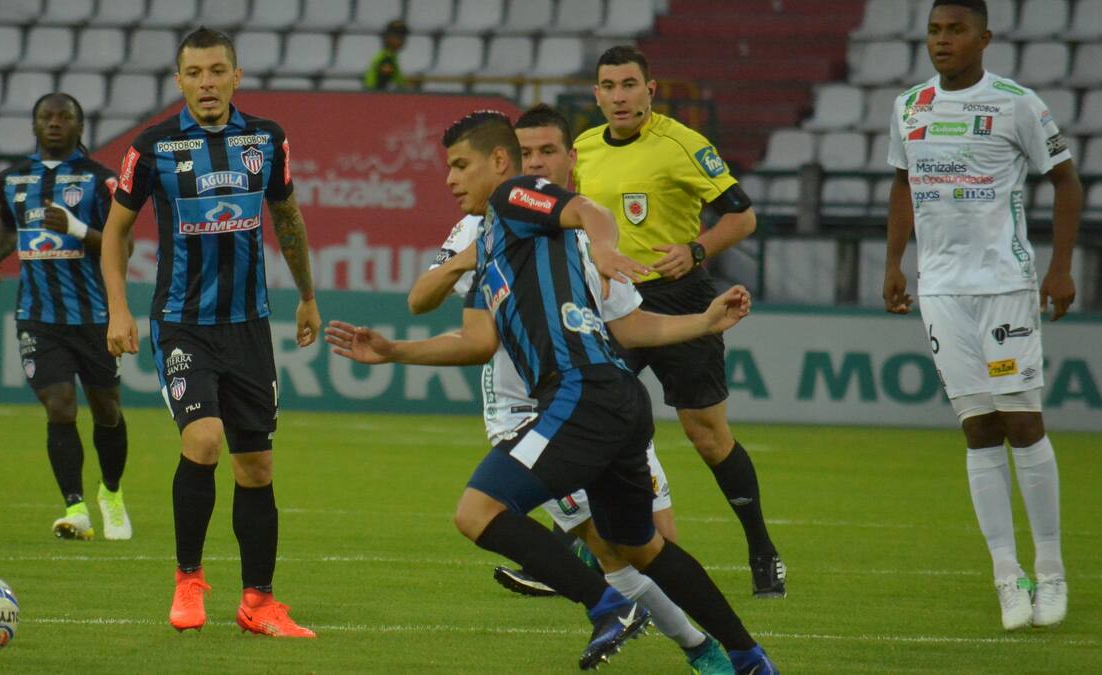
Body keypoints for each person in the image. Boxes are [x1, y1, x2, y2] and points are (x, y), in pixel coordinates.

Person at [327, 111, 777, 673]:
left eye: (461, 165)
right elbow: (478, 343)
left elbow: (591, 210)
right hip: (614, 398)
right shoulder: (495, 242)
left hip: (579, 394)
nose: (450, 179)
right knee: (641, 547)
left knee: (478, 511)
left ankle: (607, 605)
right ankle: (748, 658)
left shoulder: (513, 197)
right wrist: (395, 351)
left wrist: (606, 247)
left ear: (498, 161)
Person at [99, 28, 321, 638]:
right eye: (194, 73)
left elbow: (287, 217)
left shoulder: (266, 140)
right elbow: (116, 232)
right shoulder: (152, 147)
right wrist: (118, 309)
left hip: (248, 326)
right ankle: (189, 579)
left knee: (257, 467)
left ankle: (259, 603)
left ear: (236, 76)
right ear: (179, 81)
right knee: (203, 440)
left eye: (217, 70)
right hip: (183, 324)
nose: (206, 83)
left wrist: (307, 296)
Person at [884, 0, 1079, 631]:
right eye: (934, 30)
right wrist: (893, 263)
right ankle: (1007, 575)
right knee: (978, 430)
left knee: (1022, 421)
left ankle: (1050, 568)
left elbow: (1066, 182)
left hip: (1004, 285)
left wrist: (1059, 267)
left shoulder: (1018, 104)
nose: (942, 40)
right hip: (941, 289)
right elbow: (901, 184)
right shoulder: (909, 106)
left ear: (984, 38)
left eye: (955, 30)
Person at [572, 45, 785, 597]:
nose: (619, 96)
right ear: (596, 94)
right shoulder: (584, 148)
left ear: (650, 90)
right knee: (587, 420)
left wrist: (696, 250)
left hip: (679, 298)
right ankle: (576, 552)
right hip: (612, 302)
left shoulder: (683, 144)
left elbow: (743, 217)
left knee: (706, 435)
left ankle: (762, 549)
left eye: (628, 85)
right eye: (608, 86)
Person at [0, 92, 132, 543]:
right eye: (46, 116)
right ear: (34, 124)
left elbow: (123, 246)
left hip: (94, 315)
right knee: (60, 406)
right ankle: (75, 508)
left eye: (64, 117)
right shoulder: (12, 180)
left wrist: (77, 229)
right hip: (37, 315)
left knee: (107, 411)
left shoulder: (100, 181)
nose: (54, 123)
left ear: (80, 126)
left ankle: (111, 493)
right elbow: (9, 225)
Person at [363, 19, 408, 91]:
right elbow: (383, 82)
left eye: (403, 37)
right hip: (376, 94)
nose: (401, 40)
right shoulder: (387, 58)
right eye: (397, 36)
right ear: (386, 37)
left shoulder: (389, 56)